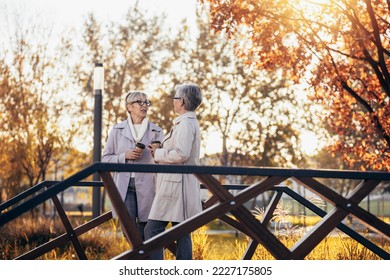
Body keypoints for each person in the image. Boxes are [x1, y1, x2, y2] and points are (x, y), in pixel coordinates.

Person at [145, 82, 203, 260]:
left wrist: (158, 153)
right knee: (182, 232)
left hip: (176, 186)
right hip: (178, 185)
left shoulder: (185, 123)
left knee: (152, 230)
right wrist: (160, 146)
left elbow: (181, 154)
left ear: (183, 102)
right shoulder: (185, 122)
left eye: (175, 97)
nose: (173, 101)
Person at [102, 91, 164, 241]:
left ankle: (143, 262)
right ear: (129, 107)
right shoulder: (117, 130)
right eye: (140, 102)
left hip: (149, 185)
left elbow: (162, 159)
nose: (144, 105)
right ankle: (140, 258)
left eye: (146, 102)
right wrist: (124, 156)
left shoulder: (157, 131)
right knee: (128, 229)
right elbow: (105, 159)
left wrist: (157, 153)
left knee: (146, 230)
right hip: (125, 186)